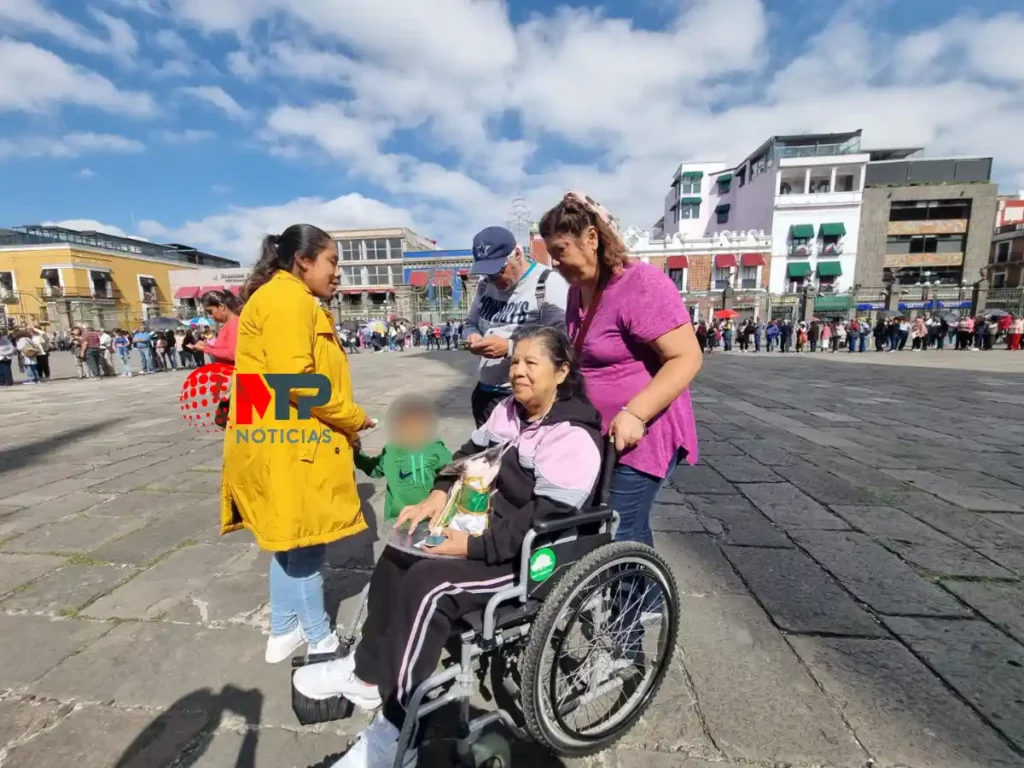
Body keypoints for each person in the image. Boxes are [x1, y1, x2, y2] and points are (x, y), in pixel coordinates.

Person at [292, 326, 603, 768]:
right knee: (402, 549)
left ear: (561, 372)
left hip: (530, 553)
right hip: (481, 528)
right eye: (515, 361)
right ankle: (368, 672)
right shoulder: (509, 413)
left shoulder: (571, 437)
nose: (518, 371)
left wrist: (469, 547)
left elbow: (544, 520)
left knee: (429, 584)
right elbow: (466, 455)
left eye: (531, 363)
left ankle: (399, 728)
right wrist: (438, 495)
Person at [222, 223, 374, 664]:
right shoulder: (288, 300)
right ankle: (319, 638)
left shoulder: (276, 297)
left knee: (287, 540)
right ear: (303, 261)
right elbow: (299, 382)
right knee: (306, 544)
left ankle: (283, 630)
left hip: (274, 436)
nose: (338, 272)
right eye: (333, 261)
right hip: (291, 441)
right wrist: (352, 417)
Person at [538, 191, 702, 545]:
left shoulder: (640, 284)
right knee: (597, 526)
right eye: (551, 255)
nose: (555, 264)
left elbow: (687, 357)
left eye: (560, 251)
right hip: (598, 436)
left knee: (618, 528)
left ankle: (640, 600)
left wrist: (636, 413)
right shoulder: (576, 290)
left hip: (643, 431)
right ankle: (634, 595)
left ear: (592, 239)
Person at [462, 226, 570, 427]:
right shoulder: (485, 285)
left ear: (518, 254)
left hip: (525, 396)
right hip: (486, 393)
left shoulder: (547, 283)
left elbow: (561, 341)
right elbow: (470, 324)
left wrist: (510, 348)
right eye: (488, 273)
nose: (494, 279)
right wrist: (472, 337)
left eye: (499, 271)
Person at [353, 395, 452, 523]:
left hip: (429, 520)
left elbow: (453, 474)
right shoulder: (390, 452)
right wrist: (357, 453)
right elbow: (374, 469)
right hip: (398, 521)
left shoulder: (436, 451)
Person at [190, 290, 240, 364]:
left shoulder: (235, 323)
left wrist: (206, 349)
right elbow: (224, 348)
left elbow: (233, 354)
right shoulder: (228, 324)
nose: (210, 316)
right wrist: (207, 346)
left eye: (210, 311)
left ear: (221, 307)